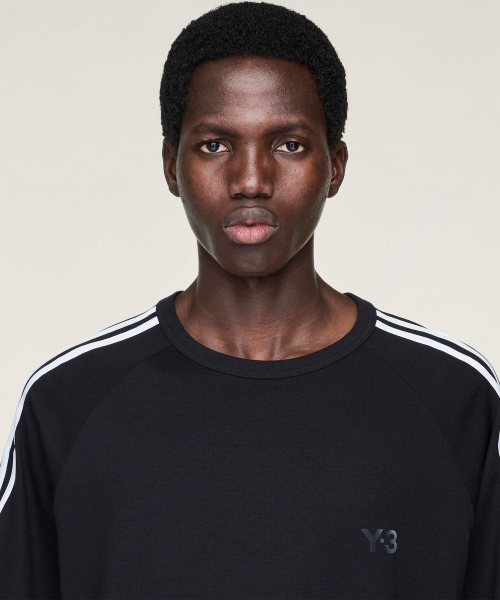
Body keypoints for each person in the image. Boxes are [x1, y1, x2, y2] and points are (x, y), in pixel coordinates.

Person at [0, 2, 498, 598]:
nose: (251, 180)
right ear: (171, 166)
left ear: (336, 166)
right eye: (215, 145)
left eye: (289, 144)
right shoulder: (68, 404)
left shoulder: (453, 398)